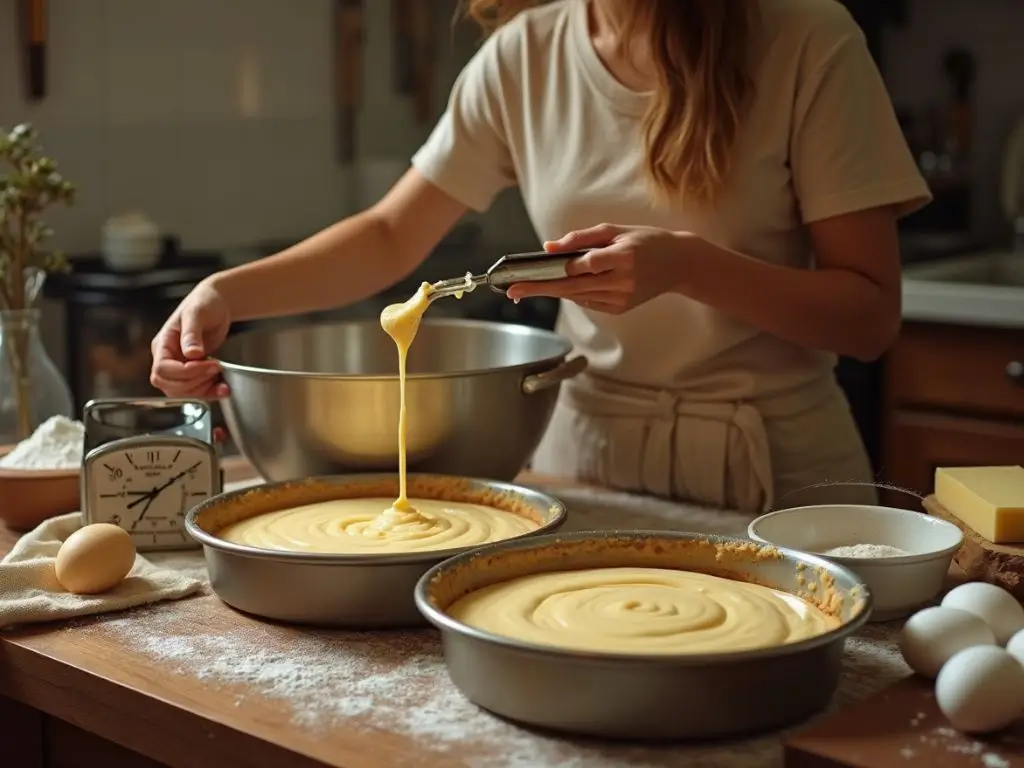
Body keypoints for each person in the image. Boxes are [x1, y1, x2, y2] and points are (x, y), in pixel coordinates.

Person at [150, 0, 931, 514]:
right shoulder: (523, 57)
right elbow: (392, 235)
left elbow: (868, 318)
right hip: (581, 464)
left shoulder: (807, 39)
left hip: (782, 477)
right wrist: (225, 292)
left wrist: (692, 268)